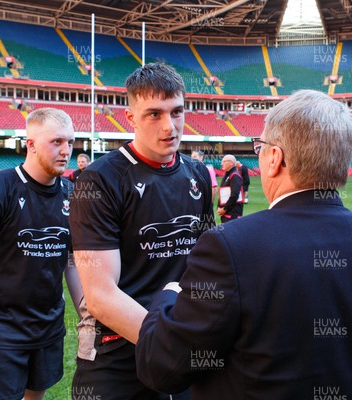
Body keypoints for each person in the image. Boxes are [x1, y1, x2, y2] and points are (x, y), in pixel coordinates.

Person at [135, 89, 352, 399]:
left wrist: (167, 297)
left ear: (275, 158)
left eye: (260, 147)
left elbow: (162, 367)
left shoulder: (231, 246)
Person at [69, 62, 214, 400]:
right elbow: (101, 296)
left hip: (181, 343)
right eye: (154, 114)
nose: (169, 126)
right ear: (130, 118)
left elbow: (204, 262)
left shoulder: (197, 175)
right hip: (119, 353)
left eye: (176, 112)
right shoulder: (100, 180)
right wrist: (167, 342)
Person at [0, 108, 78, 399]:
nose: (65, 150)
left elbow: (72, 261)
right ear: (30, 144)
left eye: (70, 142)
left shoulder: (72, 194)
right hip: (0, 330)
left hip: (49, 327)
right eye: (56, 142)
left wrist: (86, 316)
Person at [217, 154, 243, 223]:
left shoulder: (234, 175)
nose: (221, 164)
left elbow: (234, 195)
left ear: (231, 163)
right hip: (227, 214)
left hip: (232, 215)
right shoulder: (228, 175)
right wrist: (219, 207)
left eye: (224, 161)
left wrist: (225, 209)